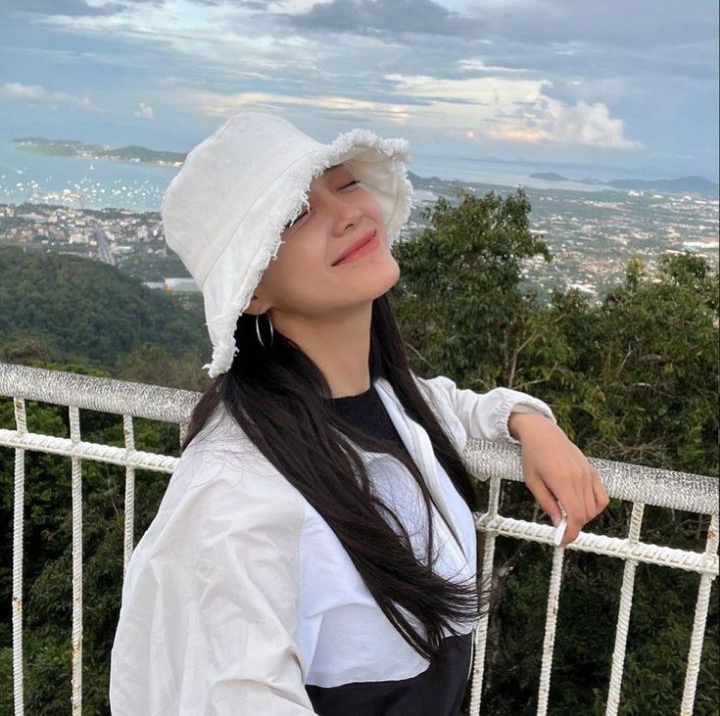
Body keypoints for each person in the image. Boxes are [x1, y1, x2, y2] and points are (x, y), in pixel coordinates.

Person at [109, 111, 609, 715]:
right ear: (253, 290)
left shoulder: (391, 401)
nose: (348, 213)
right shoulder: (234, 496)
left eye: (345, 183)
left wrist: (531, 424)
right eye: (295, 214)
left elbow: (450, 405)